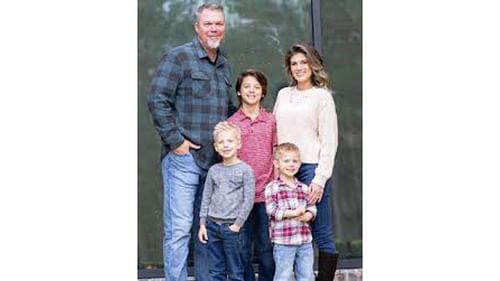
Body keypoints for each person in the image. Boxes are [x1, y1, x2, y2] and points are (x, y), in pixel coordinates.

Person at [148, 2, 236, 281]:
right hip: (183, 161)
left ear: (225, 28)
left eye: (218, 23)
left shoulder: (224, 65)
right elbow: (157, 100)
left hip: (214, 164)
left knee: (206, 230)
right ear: (197, 27)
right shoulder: (179, 58)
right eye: (208, 23)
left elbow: (228, 111)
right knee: (179, 230)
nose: (214, 28)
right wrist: (176, 142)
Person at [273, 43, 339, 281]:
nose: (299, 67)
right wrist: (276, 169)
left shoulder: (322, 97)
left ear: (313, 65)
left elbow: (329, 142)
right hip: (285, 169)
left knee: (320, 232)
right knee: (289, 232)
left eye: (304, 62)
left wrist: (320, 180)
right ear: (289, 69)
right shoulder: (283, 94)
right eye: (294, 63)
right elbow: (276, 133)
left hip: (311, 169)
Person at [228, 69, 276, 281]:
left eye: (257, 87)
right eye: (247, 86)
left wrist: (275, 187)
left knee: (266, 250)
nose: (252, 90)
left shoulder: (271, 120)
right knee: (242, 250)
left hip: (266, 195)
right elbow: (228, 159)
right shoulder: (232, 122)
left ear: (263, 92)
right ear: (238, 91)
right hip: (241, 198)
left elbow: (277, 152)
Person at [198, 121, 255, 281]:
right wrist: (202, 224)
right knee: (216, 272)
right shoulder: (213, 170)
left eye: (230, 141)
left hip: (233, 229)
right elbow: (206, 197)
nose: (226, 145)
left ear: (238, 144)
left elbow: (248, 200)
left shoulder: (245, 170)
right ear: (216, 147)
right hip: (212, 226)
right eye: (221, 142)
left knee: (236, 272)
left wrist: (237, 224)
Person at [265, 143, 317, 281]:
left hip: (304, 241)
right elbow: (272, 210)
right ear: (277, 163)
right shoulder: (273, 188)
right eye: (286, 161)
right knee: (283, 275)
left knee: (307, 275)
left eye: (295, 161)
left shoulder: (304, 188)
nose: (291, 164)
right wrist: (293, 213)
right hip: (283, 242)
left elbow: (312, 207)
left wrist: (308, 214)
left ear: (299, 163)